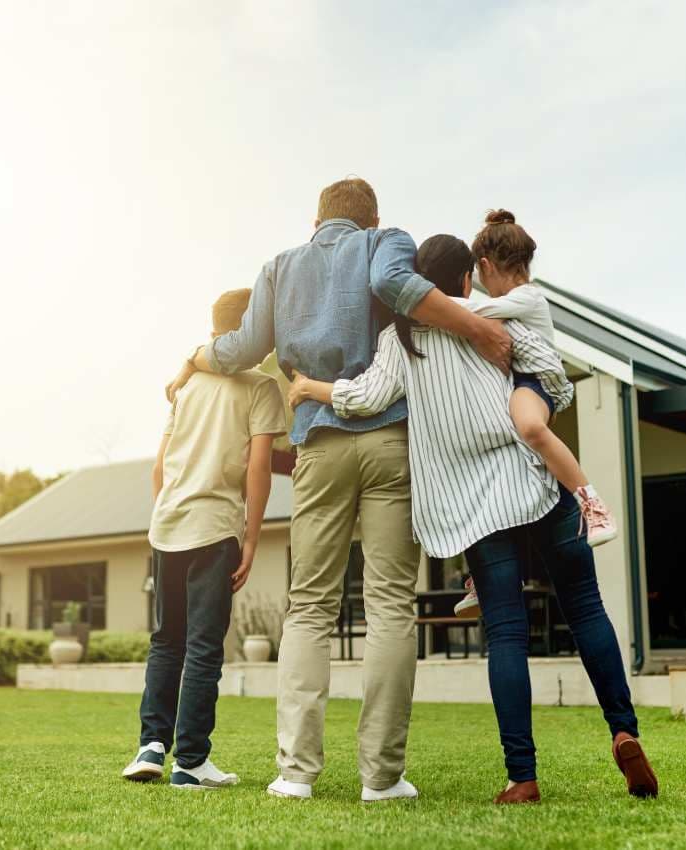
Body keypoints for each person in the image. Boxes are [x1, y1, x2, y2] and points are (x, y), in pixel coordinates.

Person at [165, 178, 512, 801]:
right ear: (372, 217)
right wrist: (478, 329)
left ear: (315, 220)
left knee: (310, 607)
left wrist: (196, 354)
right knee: (388, 606)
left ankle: (295, 773)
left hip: (318, 445)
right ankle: (381, 778)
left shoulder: (279, 266)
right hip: (388, 445)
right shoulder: (386, 241)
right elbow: (395, 287)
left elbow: (245, 347)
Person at [289, 232, 657, 805]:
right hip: (533, 481)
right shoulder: (490, 316)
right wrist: (534, 399)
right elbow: (550, 375)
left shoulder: (400, 337)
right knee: (585, 608)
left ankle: (522, 777)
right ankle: (624, 730)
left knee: (506, 633)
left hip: (475, 510)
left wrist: (309, 387)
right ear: (467, 279)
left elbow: (364, 397)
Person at [123, 288, 287, 790]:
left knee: (165, 641)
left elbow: (158, 467)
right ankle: (190, 761)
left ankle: (151, 746)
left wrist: (167, 514)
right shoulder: (260, 387)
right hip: (214, 529)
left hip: (167, 526)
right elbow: (259, 466)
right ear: (250, 332)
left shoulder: (186, 386)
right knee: (202, 647)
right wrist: (252, 538)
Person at [451, 209, 616, 619]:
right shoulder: (511, 299)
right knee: (501, 479)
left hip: (535, 384)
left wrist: (422, 300)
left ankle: (591, 503)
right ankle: (479, 575)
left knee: (527, 427)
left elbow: (472, 314)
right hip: (517, 387)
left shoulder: (527, 297)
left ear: (486, 266)